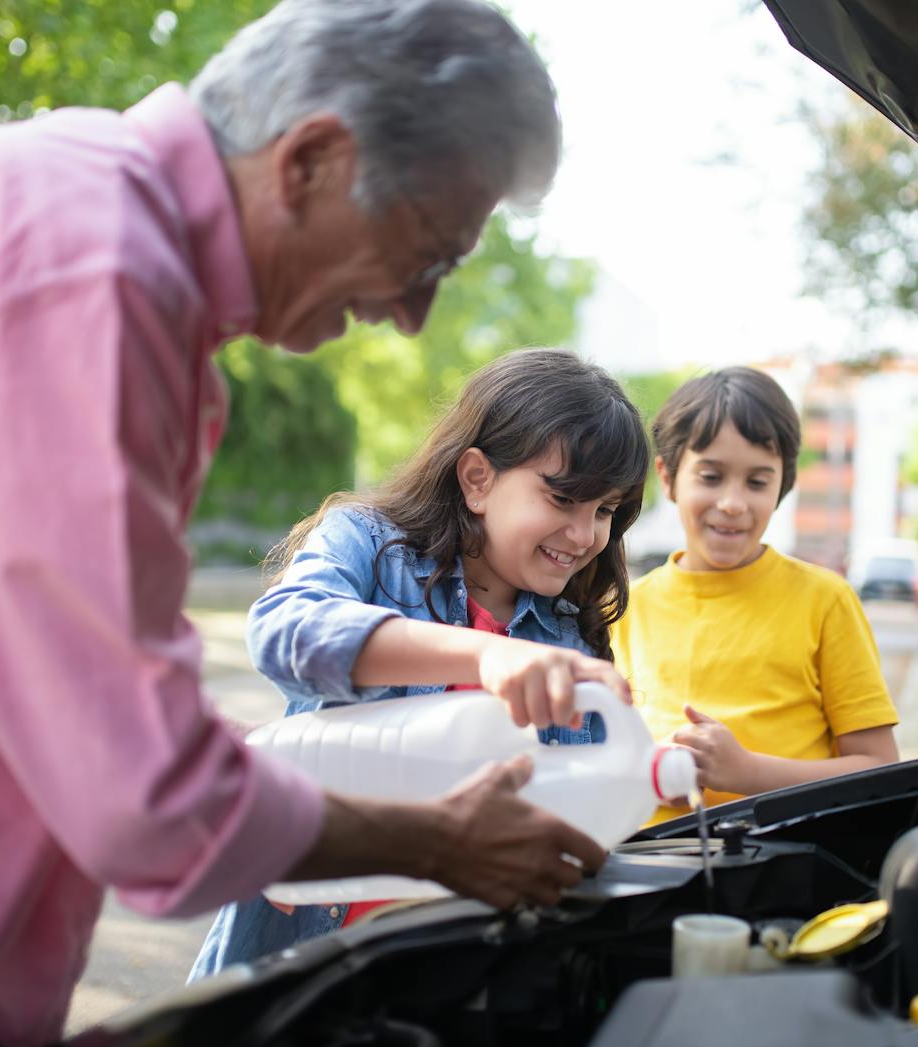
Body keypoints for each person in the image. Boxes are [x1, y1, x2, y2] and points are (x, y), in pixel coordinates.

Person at [0, 2, 607, 1047]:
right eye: (424, 254)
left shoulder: (85, 229)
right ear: (312, 160)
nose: (412, 315)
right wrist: (441, 844)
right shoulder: (85, 269)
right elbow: (149, 795)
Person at [189, 347, 649, 978]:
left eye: (605, 511)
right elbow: (285, 630)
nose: (585, 535)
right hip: (306, 936)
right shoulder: (368, 544)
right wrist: (488, 654)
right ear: (478, 479)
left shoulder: (570, 637)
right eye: (564, 499)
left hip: (451, 966)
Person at [610, 367, 900, 823]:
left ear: (783, 485)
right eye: (710, 476)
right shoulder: (623, 607)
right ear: (667, 477)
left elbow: (879, 770)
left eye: (757, 482)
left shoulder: (825, 600)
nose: (732, 503)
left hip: (787, 863)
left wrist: (746, 771)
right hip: (649, 864)